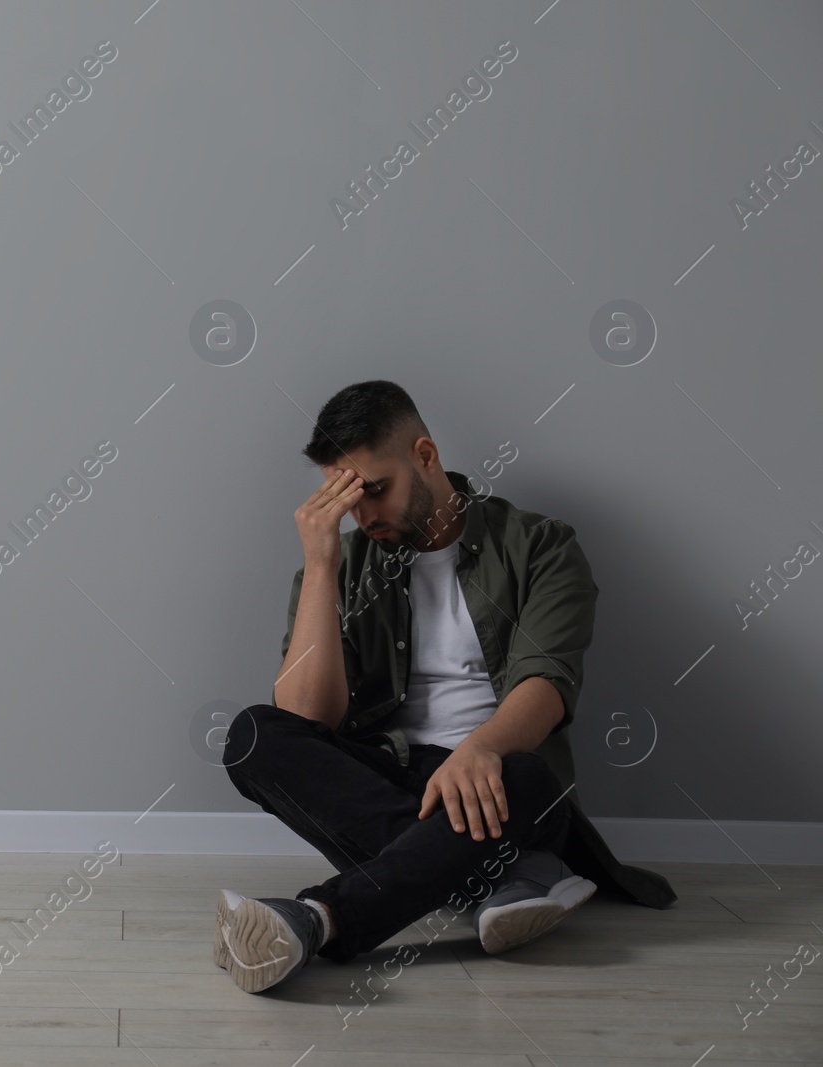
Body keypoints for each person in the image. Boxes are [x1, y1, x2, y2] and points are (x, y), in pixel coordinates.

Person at [215, 380, 675, 994]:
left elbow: (547, 682)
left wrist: (479, 748)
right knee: (254, 736)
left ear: (425, 456)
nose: (364, 514)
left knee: (529, 775)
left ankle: (315, 918)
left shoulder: (540, 546)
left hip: (503, 779)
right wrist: (323, 562)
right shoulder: (341, 565)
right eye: (345, 497)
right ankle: (509, 873)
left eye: (375, 489)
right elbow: (305, 719)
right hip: (389, 773)